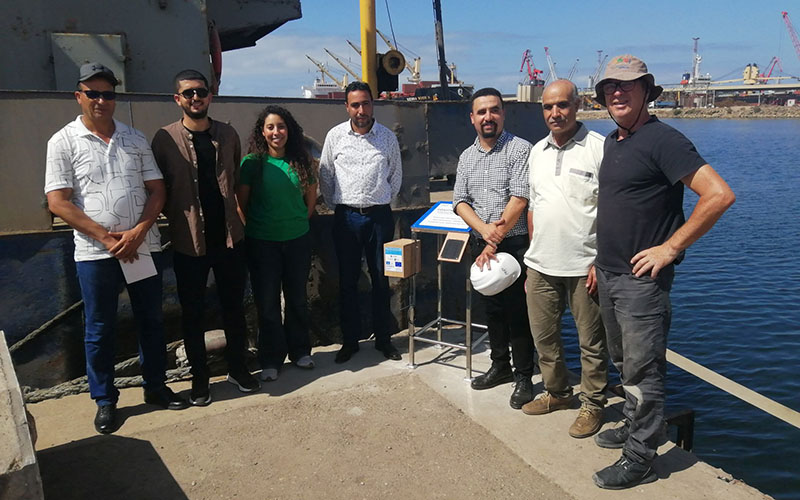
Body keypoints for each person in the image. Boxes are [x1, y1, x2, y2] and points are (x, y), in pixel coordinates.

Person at [591, 55, 735, 489]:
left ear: (646, 92)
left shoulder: (664, 140)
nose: (617, 92)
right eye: (610, 87)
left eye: (628, 86)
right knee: (622, 361)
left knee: (643, 370)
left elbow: (719, 195)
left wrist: (670, 248)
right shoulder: (614, 141)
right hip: (609, 274)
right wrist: (597, 262)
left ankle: (641, 455)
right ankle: (633, 424)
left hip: (641, 284)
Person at [44, 62, 187, 434]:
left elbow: (157, 190)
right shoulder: (62, 141)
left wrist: (140, 231)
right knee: (100, 327)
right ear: (79, 96)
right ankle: (105, 400)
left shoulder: (135, 138)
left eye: (108, 93)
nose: (101, 100)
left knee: (151, 321)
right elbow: (58, 201)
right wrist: (108, 240)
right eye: (93, 93)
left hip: (142, 247)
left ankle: (155, 387)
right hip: (96, 255)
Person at [151, 69, 260, 405]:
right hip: (188, 243)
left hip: (229, 239)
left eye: (201, 92)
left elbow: (237, 180)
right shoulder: (164, 139)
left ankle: (238, 368)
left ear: (210, 95)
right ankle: (200, 380)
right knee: (193, 314)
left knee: (234, 309)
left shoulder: (227, 135)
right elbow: (158, 188)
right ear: (177, 99)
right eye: (188, 93)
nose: (195, 98)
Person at [521, 79, 609, 438]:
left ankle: (593, 404)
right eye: (548, 107)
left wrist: (599, 261)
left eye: (562, 105)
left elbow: (612, 212)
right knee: (544, 337)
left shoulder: (599, 149)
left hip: (583, 265)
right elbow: (533, 207)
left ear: (577, 105)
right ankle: (557, 392)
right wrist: (531, 257)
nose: (555, 113)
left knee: (592, 342)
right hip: (541, 264)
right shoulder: (537, 151)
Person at [453, 87, 537, 410]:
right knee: (493, 310)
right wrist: (484, 233)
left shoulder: (519, 150)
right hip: (483, 243)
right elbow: (459, 201)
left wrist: (495, 236)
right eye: (482, 112)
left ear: (503, 113)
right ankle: (500, 365)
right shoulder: (466, 157)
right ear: (472, 118)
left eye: (494, 110)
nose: (488, 117)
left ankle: (524, 375)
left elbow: (520, 198)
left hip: (513, 244)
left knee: (518, 313)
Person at [319, 81, 403, 364]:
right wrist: (339, 206)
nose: (361, 110)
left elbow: (396, 176)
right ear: (347, 107)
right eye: (355, 104)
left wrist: (380, 199)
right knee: (347, 282)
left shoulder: (387, 138)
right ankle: (350, 341)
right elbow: (326, 176)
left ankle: (384, 340)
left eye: (366, 103)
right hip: (347, 218)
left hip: (379, 218)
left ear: (372, 104)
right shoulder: (335, 137)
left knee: (382, 280)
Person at [237, 105, 318, 382]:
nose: (276, 132)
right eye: (270, 127)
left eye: (281, 126)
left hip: (297, 240)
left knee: (297, 298)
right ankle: (270, 358)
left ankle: (300, 351)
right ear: (263, 131)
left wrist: (294, 223)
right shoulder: (251, 163)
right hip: (263, 243)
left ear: (289, 130)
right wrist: (262, 228)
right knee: (267, 302)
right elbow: (241, 205)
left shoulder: (302, 161)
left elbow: (310, 200)